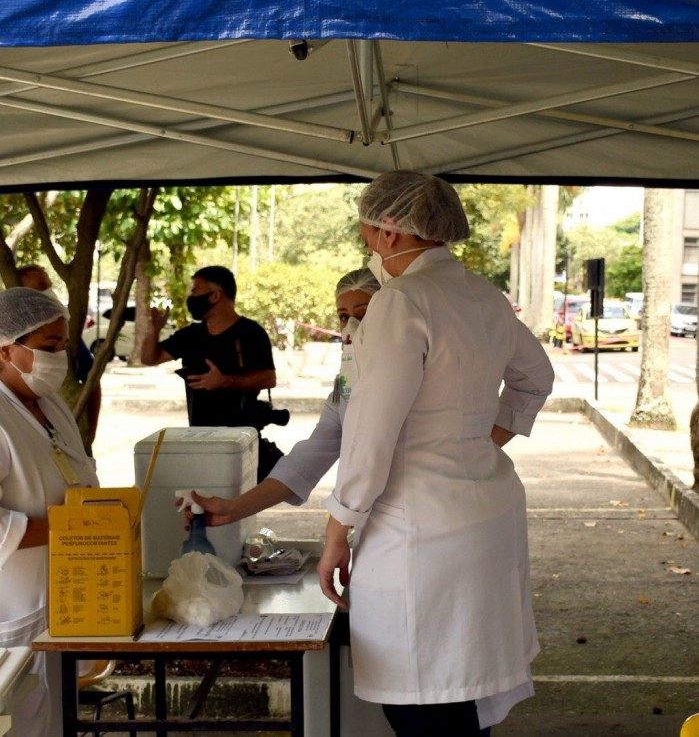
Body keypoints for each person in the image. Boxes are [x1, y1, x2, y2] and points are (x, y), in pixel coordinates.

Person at [317, 172, 555, 737]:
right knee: (466, 695)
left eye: (366, 229)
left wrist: (336, 530)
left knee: (423, 702)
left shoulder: (401, 301)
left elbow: (370, 434)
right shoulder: (482, 294)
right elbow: (536, 377)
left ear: (390, 231)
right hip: (488, 516)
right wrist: (474, 440)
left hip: (420, 531)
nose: (365, 240)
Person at [189, 267, 380, 524]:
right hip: (376, 525)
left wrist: (339, 525)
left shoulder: (411, 375)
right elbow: (309, 457)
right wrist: (234, 508)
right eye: (343, 317)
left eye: (363, 314)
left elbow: (371, 460)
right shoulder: (345, 386)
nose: (351, 327)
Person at [0, 288, 99, 737]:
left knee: (56, 721)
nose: (60, 357)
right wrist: (74, 528)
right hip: (13, 612)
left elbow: (78, 474)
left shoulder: (50, 403)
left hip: (62, 604)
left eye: (63, 344)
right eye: (48, 346)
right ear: (6, 349)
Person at [141, 265, 279, 480]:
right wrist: (154, 329)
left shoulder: (251, 333)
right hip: (200, 439)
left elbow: (269, 378)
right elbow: (150, 358)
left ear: (215, 295)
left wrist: (224, 381)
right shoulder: (191, 335)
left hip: (241, 440)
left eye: (195, 291)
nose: (191, 297)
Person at [17, 264, 102, 450]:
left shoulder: (56, 407)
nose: (48, 294)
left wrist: (90, 431)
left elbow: (92, 381)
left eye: (49, 287)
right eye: (47, 348)